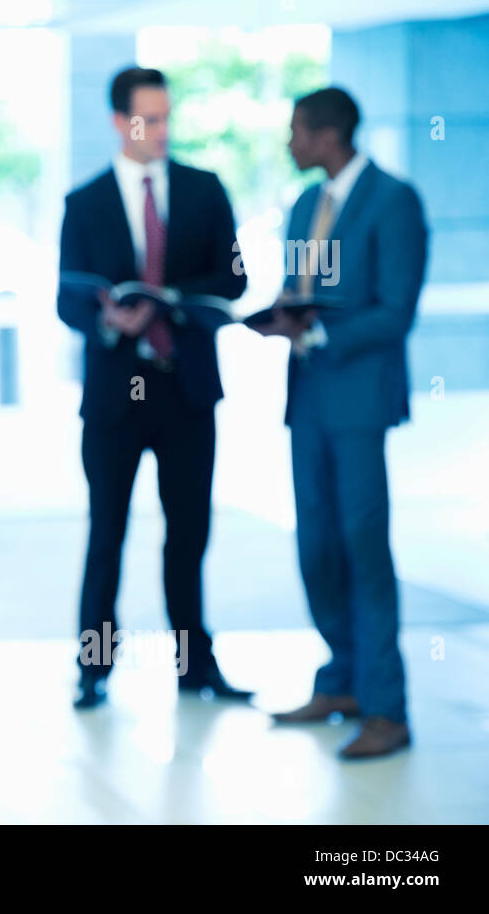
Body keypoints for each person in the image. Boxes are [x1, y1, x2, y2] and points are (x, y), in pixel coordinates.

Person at [56, 66, 250, 709]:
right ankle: (94, 670)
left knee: (188, 532)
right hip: (116, 396)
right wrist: (108, 318)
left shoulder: (204, 189)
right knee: (105, 531)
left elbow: (235, 280)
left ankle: (195, 668)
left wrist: (171, 302)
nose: (162, 129)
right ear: (120, 121)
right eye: (150, 119)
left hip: (186, 390)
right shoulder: (83, 203)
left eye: (168, 117)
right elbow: (67, 299)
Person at [254, 86, 426, 759]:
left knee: (363, 545)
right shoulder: (304, 205)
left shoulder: (393, 201)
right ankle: (342, 680)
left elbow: (395, 310)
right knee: (317, 545)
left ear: (328, 136)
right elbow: (304, 293)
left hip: (359, 399)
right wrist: (282, 316)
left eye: (296, 132)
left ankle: (387, 707)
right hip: (309, 400)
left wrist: (322, 335)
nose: (290, 144)